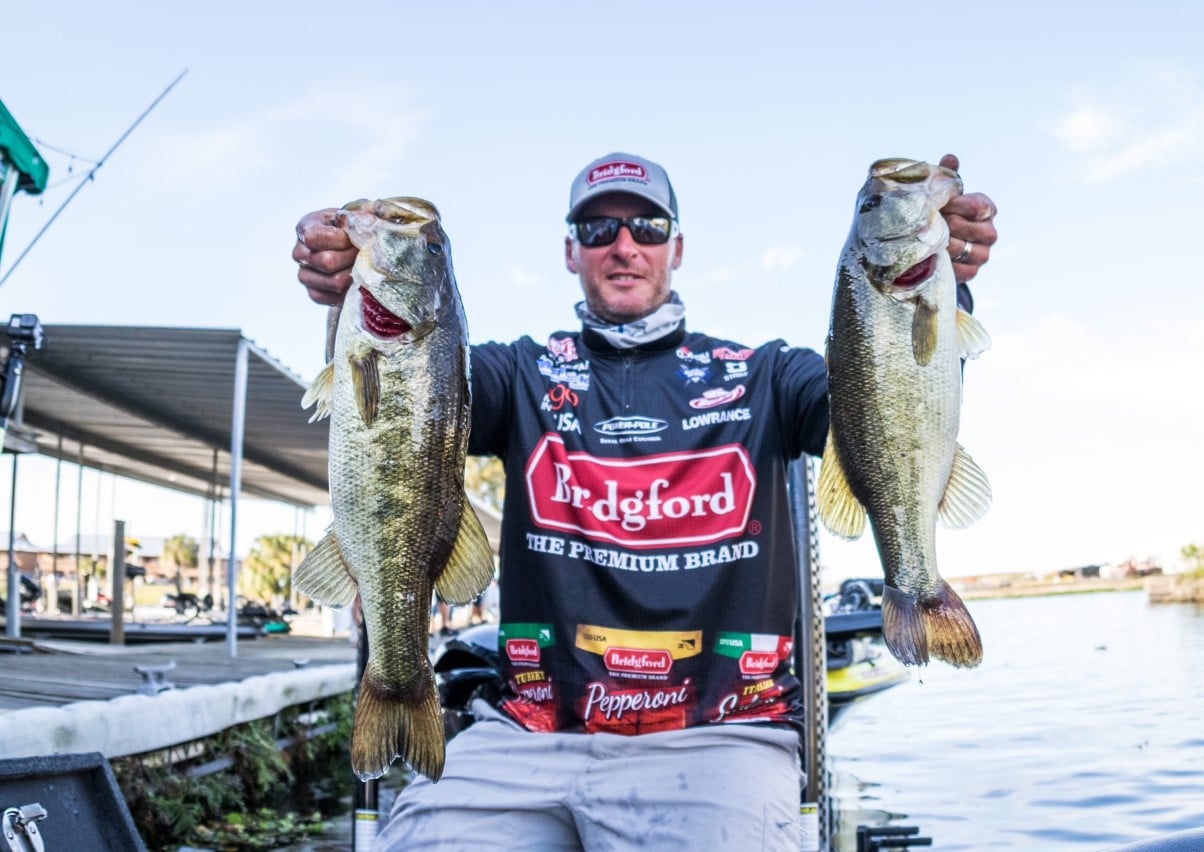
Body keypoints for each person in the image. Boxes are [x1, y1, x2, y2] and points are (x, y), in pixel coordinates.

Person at [293, 152, 997, 851]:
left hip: (724, 740)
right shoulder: (519, 374)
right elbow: (406, 401)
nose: (623, 245)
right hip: (524, 737)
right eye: (598, 230)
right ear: (571, 251)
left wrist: (943, 292)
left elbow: (885, 406)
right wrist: (345, 297)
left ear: (678, 246)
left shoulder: (767, 376)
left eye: (647, 225)